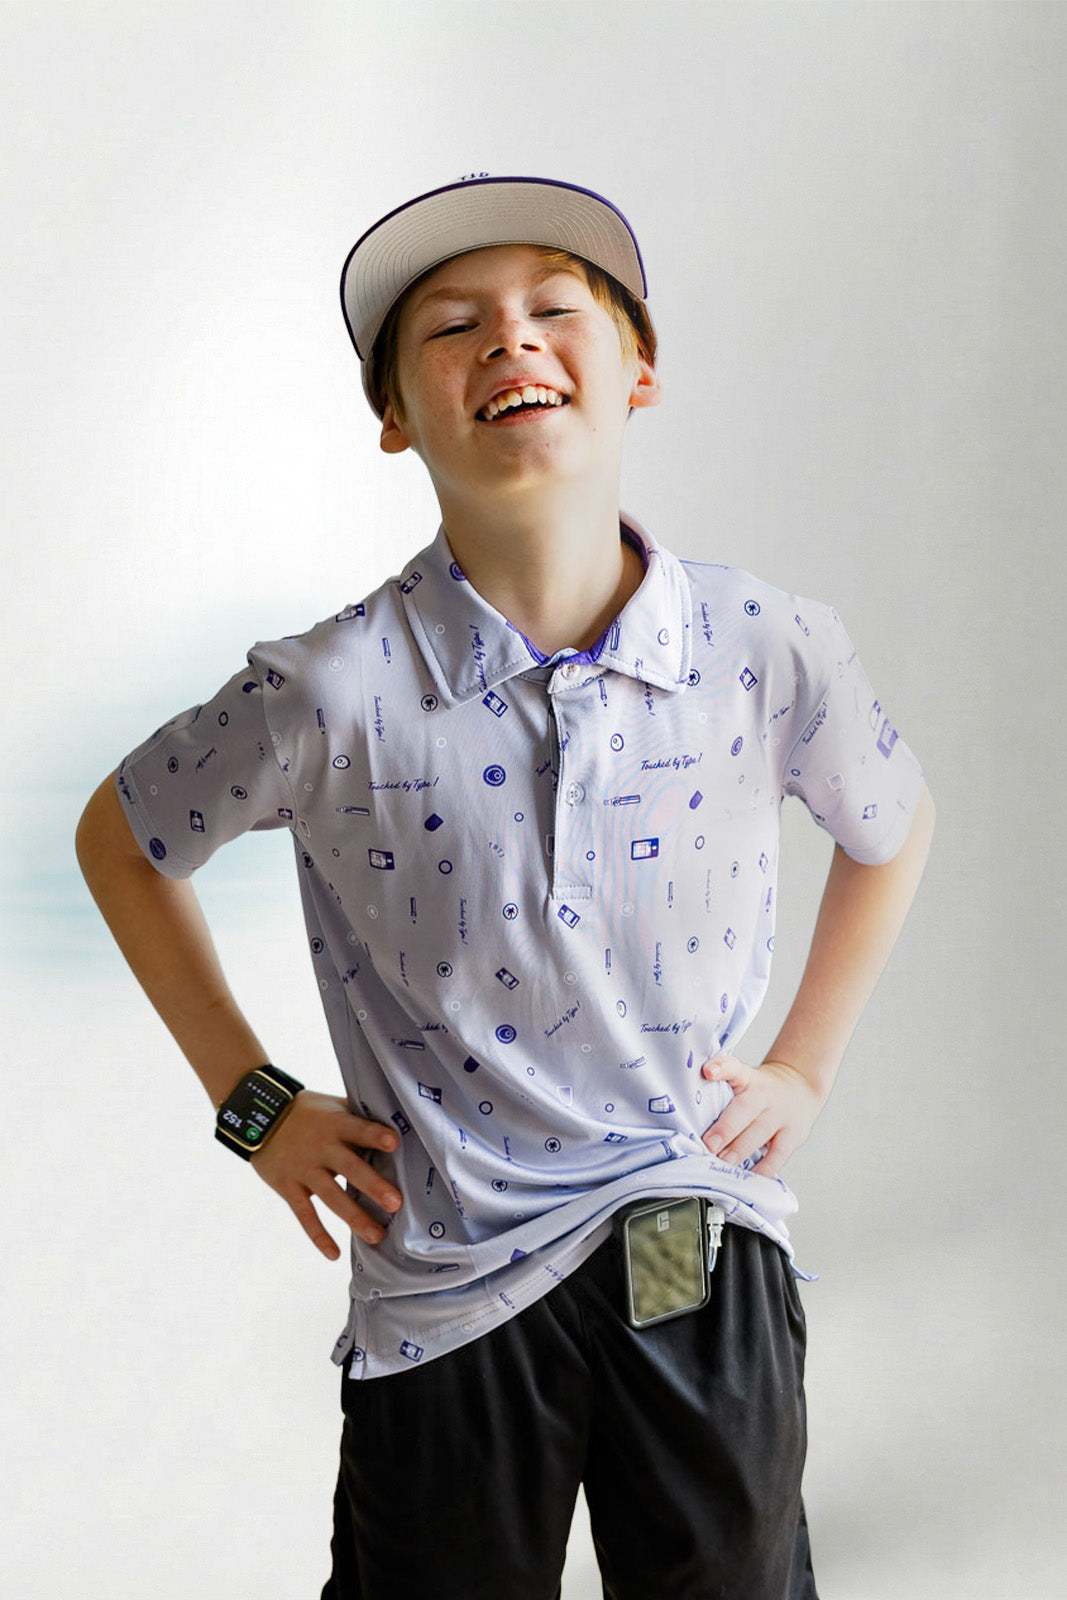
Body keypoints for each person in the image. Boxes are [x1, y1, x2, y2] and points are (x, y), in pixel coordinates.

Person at [76, 175, 934, 1600]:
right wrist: (254, 1102)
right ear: (396, 416)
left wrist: (806, 1067)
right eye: (455, 327)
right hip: (449, 1282)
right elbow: (124, 835)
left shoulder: (761, 645)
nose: (511, 343)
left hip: (692, 1227)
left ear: (639, 370)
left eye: (555, 309)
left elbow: (890, 824)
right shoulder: (332, 689)